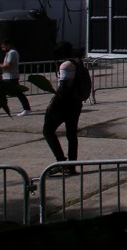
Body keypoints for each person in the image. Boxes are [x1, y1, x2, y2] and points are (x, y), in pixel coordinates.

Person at [43, 41, 83, 176]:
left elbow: (63, 86)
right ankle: (71, 165)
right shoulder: (78, 63)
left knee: (48, 130)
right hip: (76, 103)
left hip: (64, 103)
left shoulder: (65, 65)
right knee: (71, 135)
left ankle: (60, 161)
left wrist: (53, 103)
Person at [0, 39, 32, 117]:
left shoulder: (12, 53)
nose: (2, 49)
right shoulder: (10, 53)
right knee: (12, 93)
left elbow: (9, 65)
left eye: (3, 47)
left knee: (10, 93)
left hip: (11, 77)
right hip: (8, 77)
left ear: (8, 45)